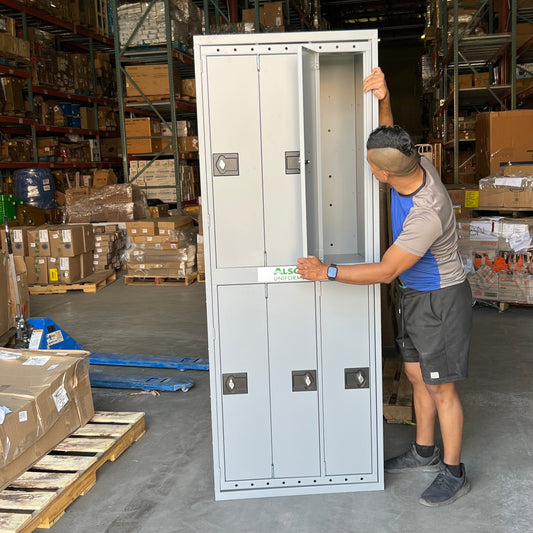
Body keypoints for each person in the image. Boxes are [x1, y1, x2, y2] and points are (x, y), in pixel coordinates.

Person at [296, 68, 472, 507]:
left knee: (441, 387)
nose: (369, 167)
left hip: (439, 299)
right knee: (415, 374)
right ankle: (424, 451)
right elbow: (391, 142)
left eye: (370, 165)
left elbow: (386, 270)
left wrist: (326, 272)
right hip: (414, 294)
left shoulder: (426, 213)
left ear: (382, 175)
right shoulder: (413, 163)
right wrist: (384, 99)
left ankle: (454, 471)